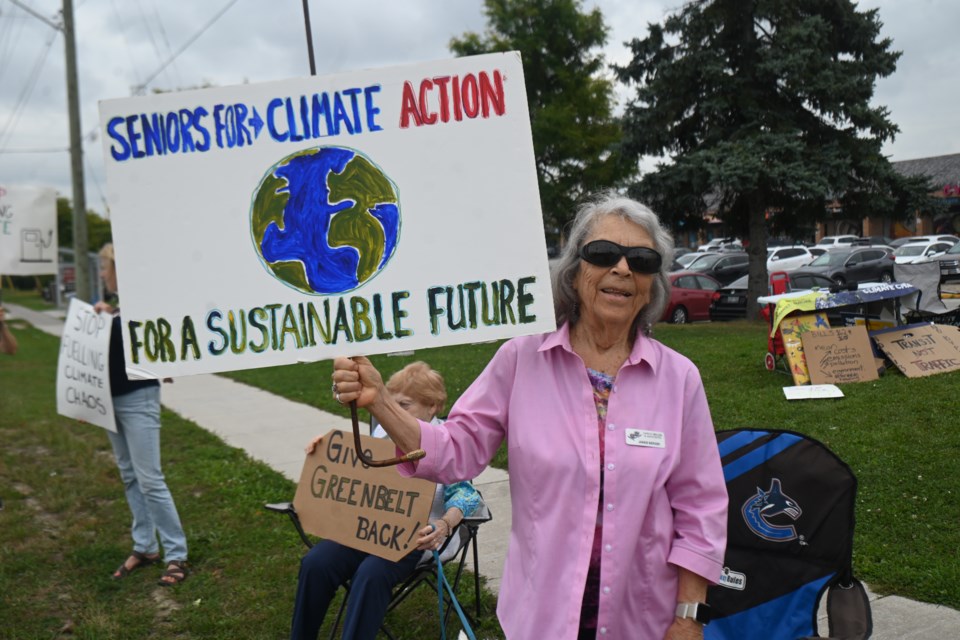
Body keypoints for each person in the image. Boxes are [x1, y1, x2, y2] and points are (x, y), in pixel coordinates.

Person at [332, 193, 728, 640]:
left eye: (640, 259)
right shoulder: (521, 359)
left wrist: (688, 615)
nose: (621, 269)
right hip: (543, 614)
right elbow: (454, 452)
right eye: (602, 254)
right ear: (575, 271)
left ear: (651, 282)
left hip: (643, 618)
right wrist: (381, 401)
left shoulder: (679, 379)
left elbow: (701, 507)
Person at [291, 361, 482, 640]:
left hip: (413, 539)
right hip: (366, 529)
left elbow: (467, 494)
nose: (390, 413)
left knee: (372, 573)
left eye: (403, 406)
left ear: (433, 406)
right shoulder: (381, 433)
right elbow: (356, 470)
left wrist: (443, 524)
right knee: (316, 562)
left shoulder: (445, 440)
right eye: (388, 404)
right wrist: (325, 450)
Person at [95, 243, 189, 586]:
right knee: (129, 475)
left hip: (138, 399)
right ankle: (146, 546)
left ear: (119, 269)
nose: (102, 274)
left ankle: (176, 553)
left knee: (149, 478)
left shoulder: (144, 308)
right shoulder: (114, 311)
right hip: (110, 402)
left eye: (105, 268)